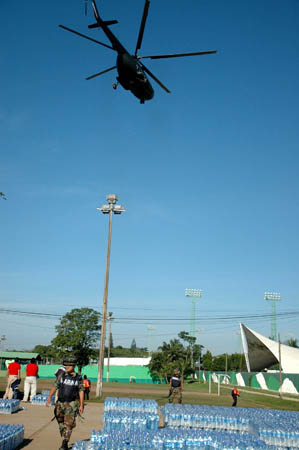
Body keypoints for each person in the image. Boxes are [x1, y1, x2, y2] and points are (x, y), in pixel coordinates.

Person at [46, 358, 84, 450]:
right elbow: (55, 386)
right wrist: (49, 397)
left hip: (71, 404)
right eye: (66, 365)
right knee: (60, 420)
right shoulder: (61, 375)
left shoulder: (78, 378)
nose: (66, 367)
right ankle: (66, 431)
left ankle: (65, 443)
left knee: (68, 424)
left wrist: (81, 405)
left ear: (74, 366)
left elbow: (81, 390)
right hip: (60, 403)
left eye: (69, 365)